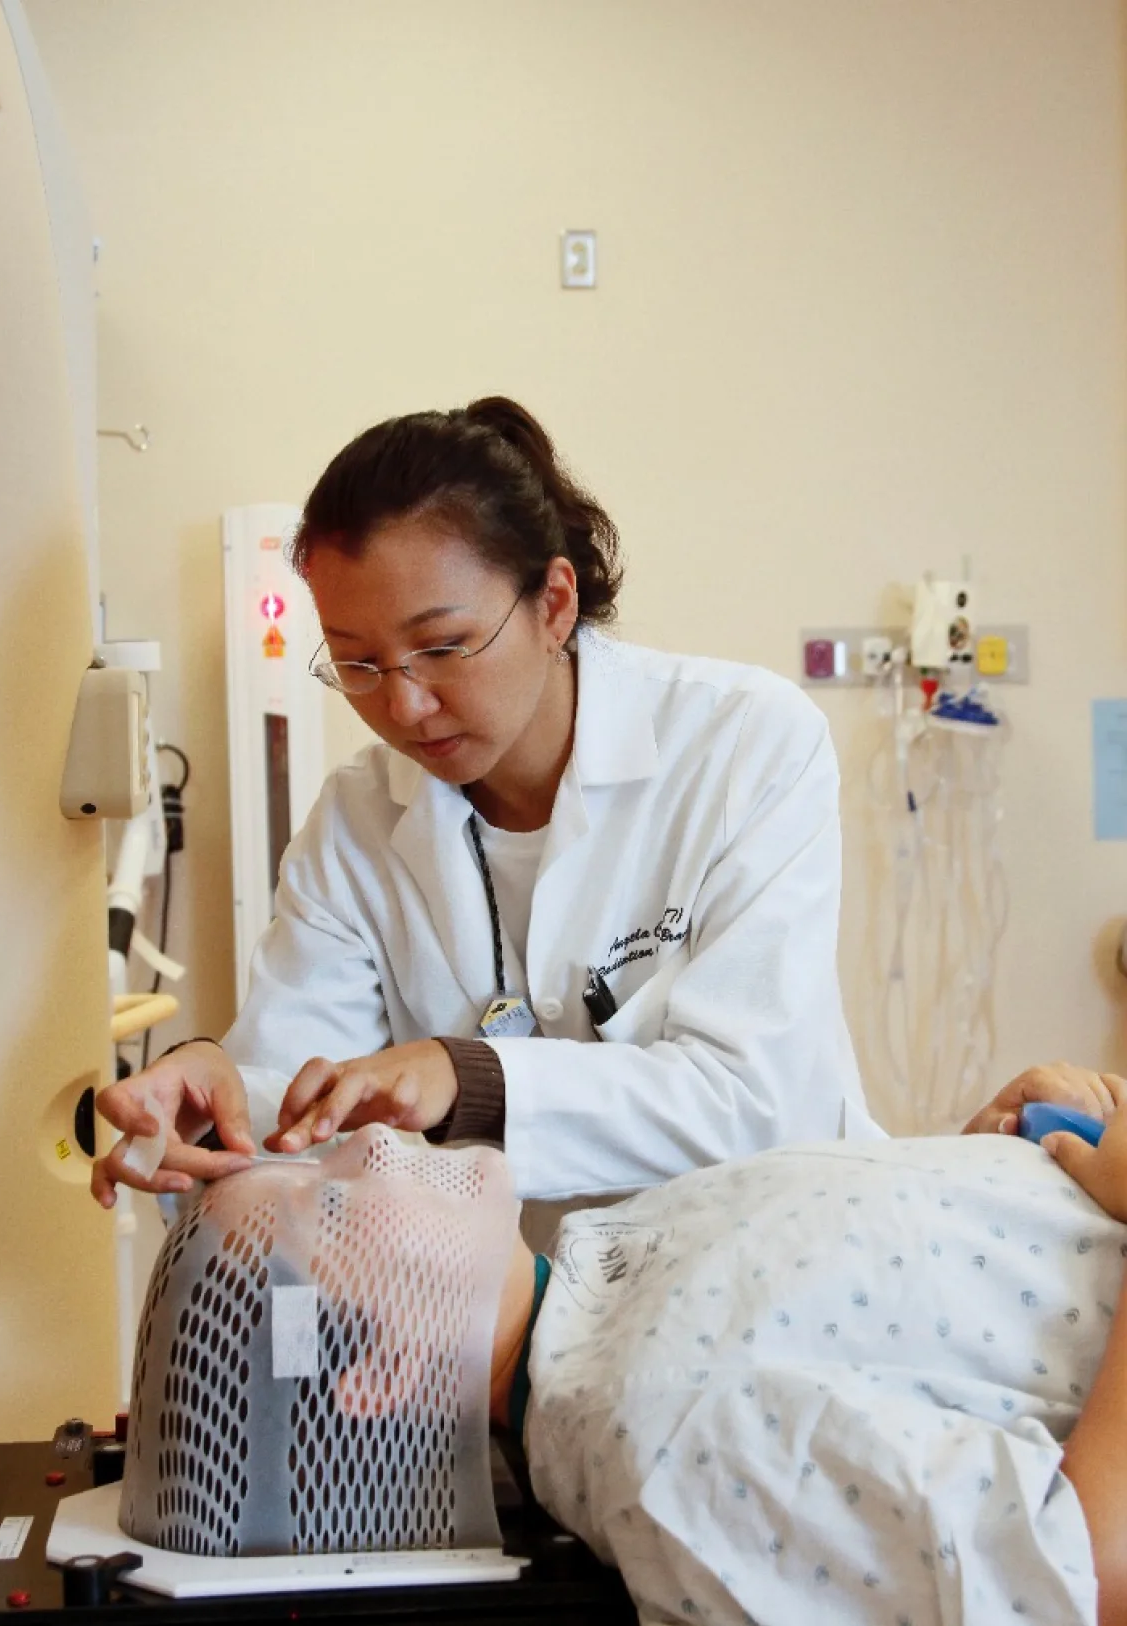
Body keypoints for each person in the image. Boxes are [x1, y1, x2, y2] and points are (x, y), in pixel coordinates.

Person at [93, 396, 880, 1219]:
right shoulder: (355, 824)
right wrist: (217, 1098)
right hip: (500, 1312)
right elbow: (302, 1107)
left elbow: (757, 1099)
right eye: (358, 664)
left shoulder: (744, 744)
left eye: (441, 648)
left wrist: (467, 1077)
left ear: (554, 604)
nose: (403, 705)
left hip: (762, 1277)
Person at [125, 1083, 1127, 1625]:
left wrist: (1004, 1166)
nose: (374, 1146)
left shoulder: (608, 1276)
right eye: (330, 1201)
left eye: (315, 1158)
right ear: (381, 1375)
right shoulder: (676, 1444)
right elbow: (1087, 1579)